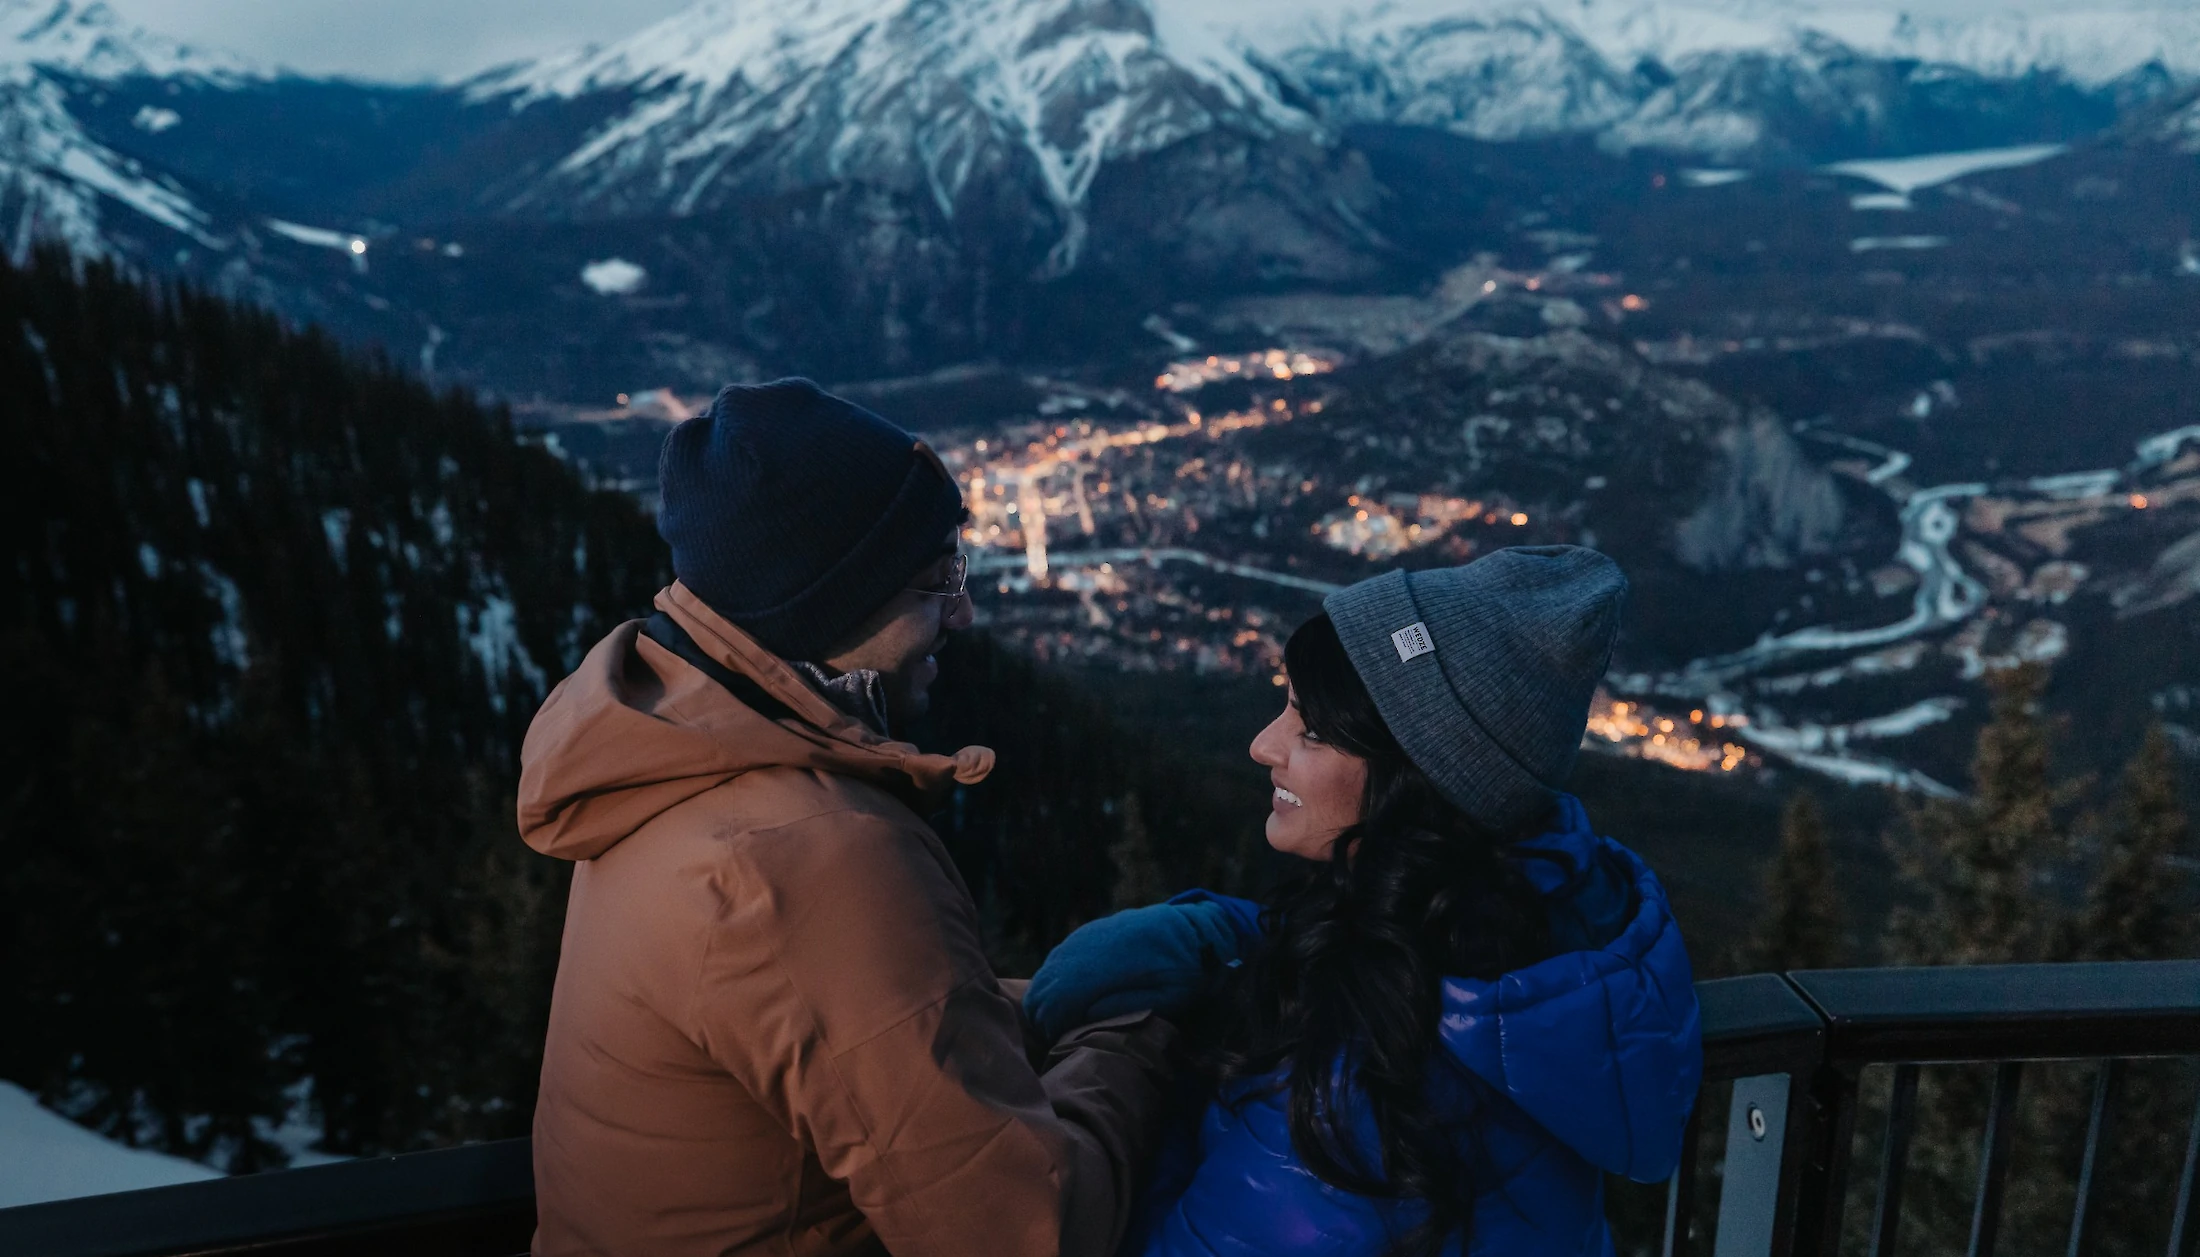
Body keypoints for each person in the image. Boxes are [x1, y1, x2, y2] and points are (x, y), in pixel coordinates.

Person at [518, 379, 1179, 1257]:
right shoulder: (804, 855)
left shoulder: (668, 764)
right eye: (934, 578)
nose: (963, 610)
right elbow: (1026, 1232)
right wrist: (1143, 1036)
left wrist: (1045, 1005)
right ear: (828, 599)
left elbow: (844, 1031)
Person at [1024, 546, 1704, 1257]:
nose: (1263, 745)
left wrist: (1143, 1109)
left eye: (1310, 728)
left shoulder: (1345, 1097)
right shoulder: (1556, 937)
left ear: (1414, 779)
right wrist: (1223, 934)